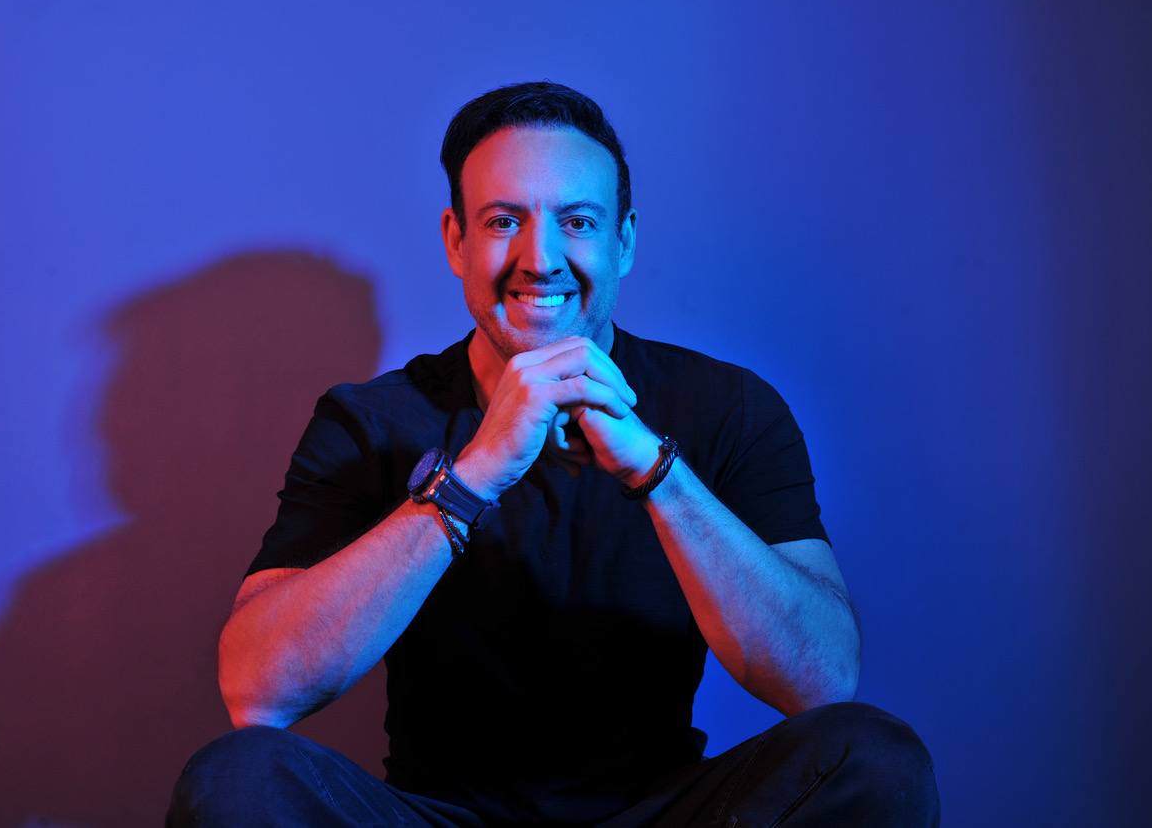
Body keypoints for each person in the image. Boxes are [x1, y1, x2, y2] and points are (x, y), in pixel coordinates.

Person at [167, 81, 939, 827]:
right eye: (504, 220)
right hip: (437, 816)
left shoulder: (729, 407)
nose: (540, 258)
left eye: (577, 221)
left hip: (662, 814)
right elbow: (258, 690)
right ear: (457, 241)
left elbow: (822, 680)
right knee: (237, 776)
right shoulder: (368, 421)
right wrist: (475, 474)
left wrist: (655, 470)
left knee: (874, 757)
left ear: (623, 240)